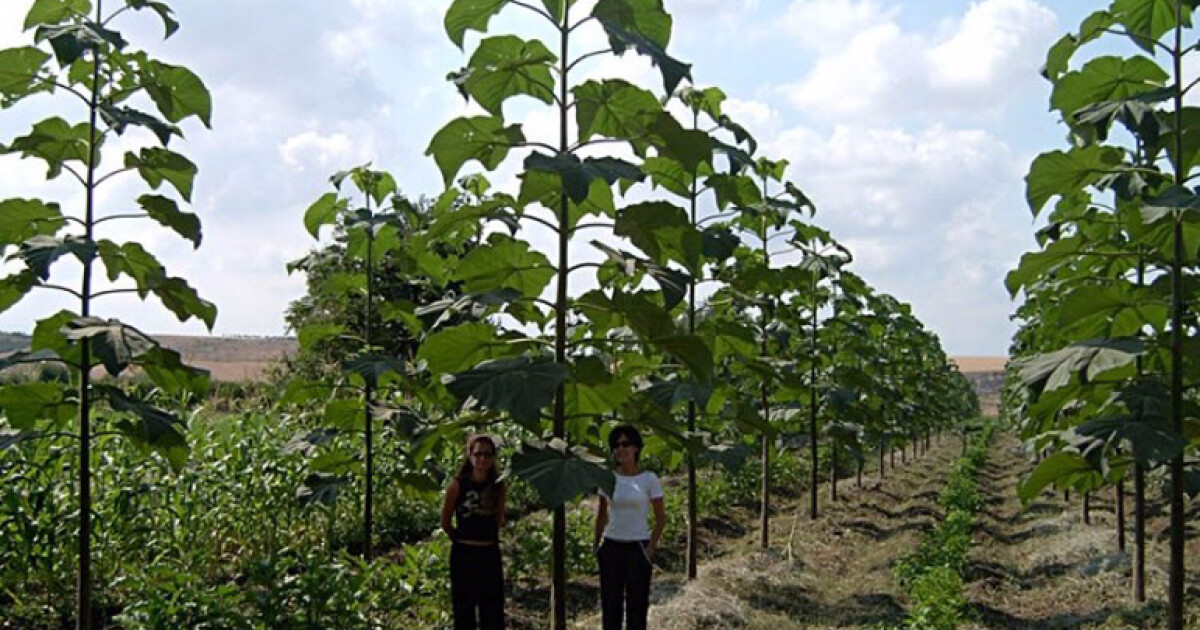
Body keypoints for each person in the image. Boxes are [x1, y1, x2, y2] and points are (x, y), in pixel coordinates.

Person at [594, 425, 665, 630]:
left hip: (637, 548)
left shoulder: (649, 479)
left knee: (637, 607)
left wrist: (650, 549)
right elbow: (601, 515)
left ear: (636, 448)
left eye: (625, 444)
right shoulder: (608, 478)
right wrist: (597, 545)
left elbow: (661, 518)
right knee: (610, 606)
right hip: (612, 547)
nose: (620, 449)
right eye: (615, 446)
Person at [441, 434, 507, 630]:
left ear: (493, 458)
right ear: (469, 455)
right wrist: (461, 539)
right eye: (478, 454)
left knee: (493, 612)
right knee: (464, 611)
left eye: (487, 455)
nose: (482, 459)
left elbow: (499, 519)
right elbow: (445, 522)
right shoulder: (457, 485)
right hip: (464, 556)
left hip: (489, 553)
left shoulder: (498, 485)